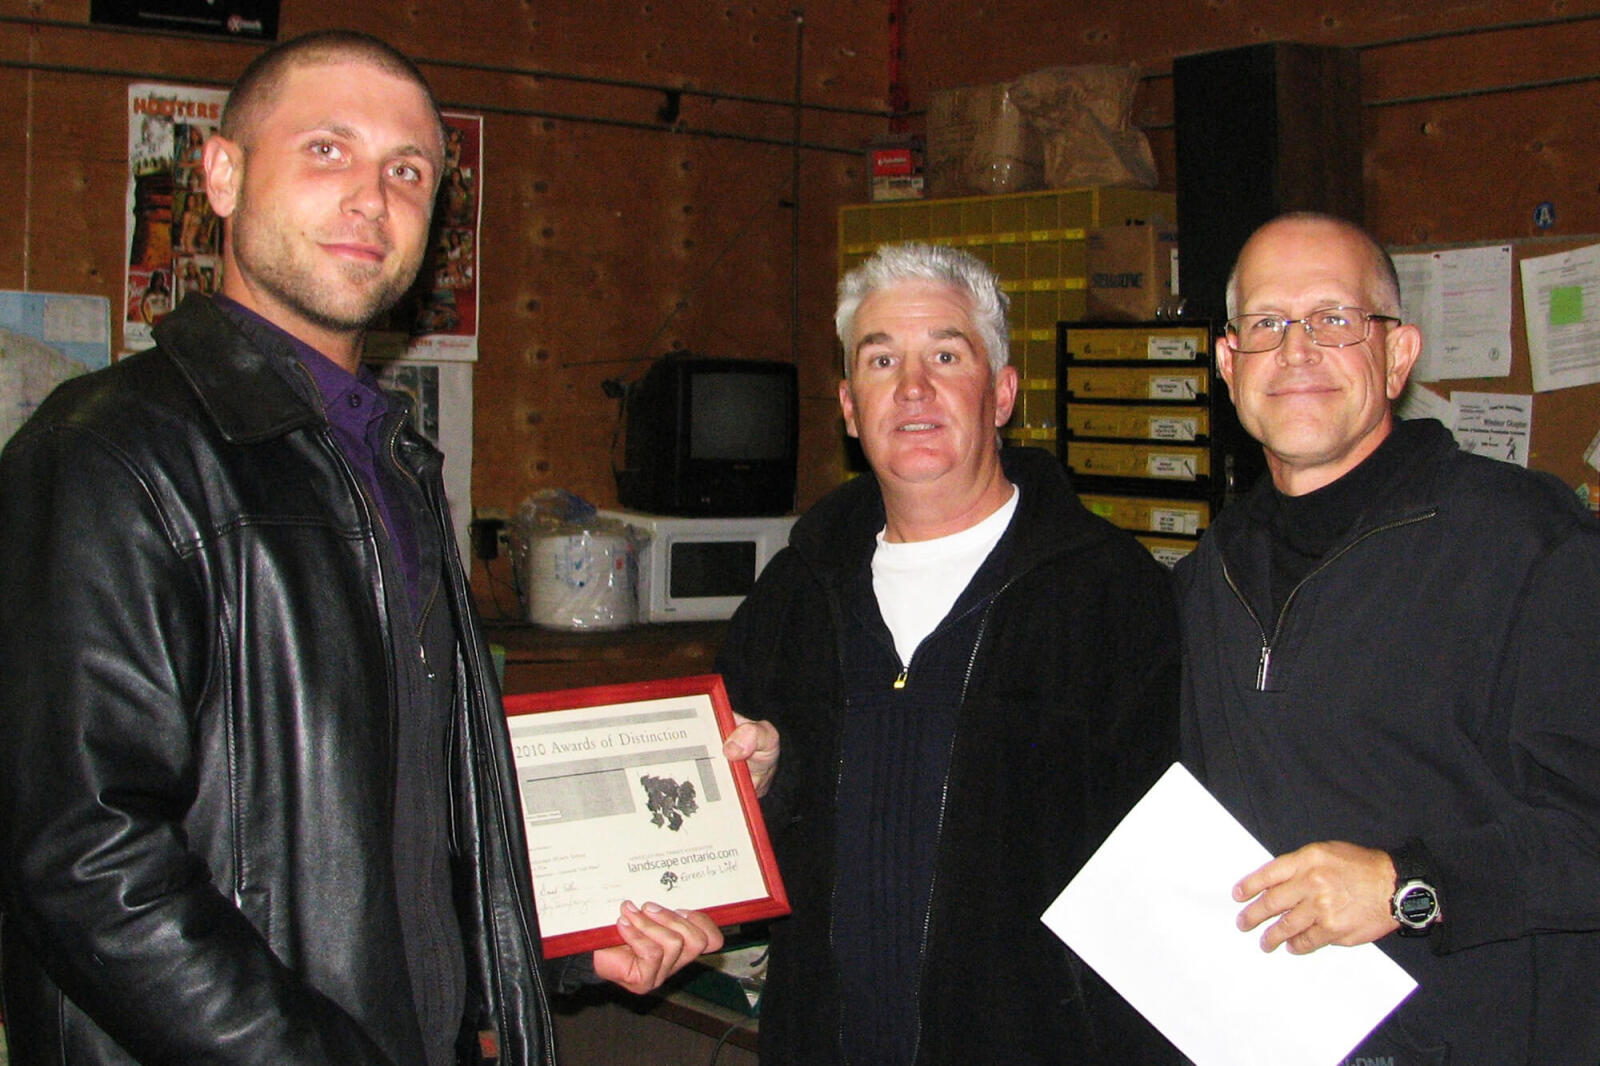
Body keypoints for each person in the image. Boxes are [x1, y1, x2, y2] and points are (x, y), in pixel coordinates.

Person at [0, 31, 719, 1066]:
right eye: (327, 151)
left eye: (409, 170)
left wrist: (555, 943)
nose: (372, 198)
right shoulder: (108, 450)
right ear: (222, 173)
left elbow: (402, 822)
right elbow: (83, 859)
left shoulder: (390, 463)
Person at [716, 242, 1181, 1064]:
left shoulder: (1112, 594)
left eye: (946, 354)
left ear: (1001, 394)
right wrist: (762, 782)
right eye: (882, 358)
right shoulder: (792, 594)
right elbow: (735, 831)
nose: (914, 387)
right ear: (850, 407)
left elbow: (1164, 880)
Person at [1177, 212, 1600, 1063]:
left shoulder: (1531, 546)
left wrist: (1410, 884)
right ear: (1229, 365)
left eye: (1335, 318)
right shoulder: (1204, 578)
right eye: (1267, 324)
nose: (1297, 350)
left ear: (1398, 354)